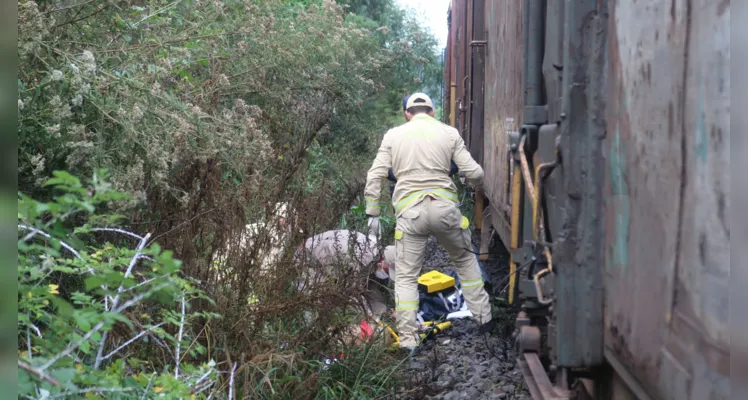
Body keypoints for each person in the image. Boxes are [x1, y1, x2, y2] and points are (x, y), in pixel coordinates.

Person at [364, 92, 493, 353]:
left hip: (410, 215)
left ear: (407, 114)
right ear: (432, 112)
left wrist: (373, 212)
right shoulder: (449, 133)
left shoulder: (393, 135)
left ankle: (409, 341)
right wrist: (474, 185)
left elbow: (375, 175)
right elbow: (475, 172)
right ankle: (484, 319)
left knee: (406, 278)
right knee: (466, 262)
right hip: (446, 211)